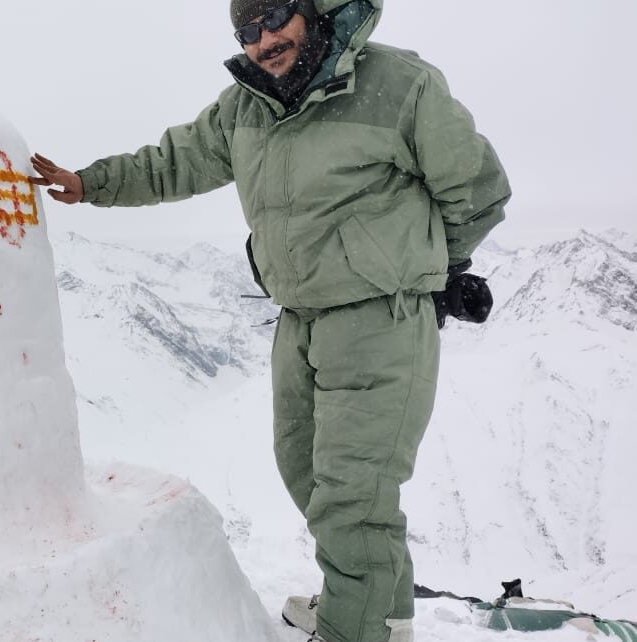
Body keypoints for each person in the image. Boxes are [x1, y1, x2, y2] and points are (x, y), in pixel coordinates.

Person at [28, 1, 511, 641]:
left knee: (354, 493)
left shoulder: (398, 85)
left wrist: (434, 271)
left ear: (310, 9)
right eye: (247, 31)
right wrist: (90, 183)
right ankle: (379, 614)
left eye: (275, 17)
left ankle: (354, 630)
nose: (263, 39)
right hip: (298, 317)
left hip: (380, 317)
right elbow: (172, 162)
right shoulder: (245, 107)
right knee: (307, 471)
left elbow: (477, 189)